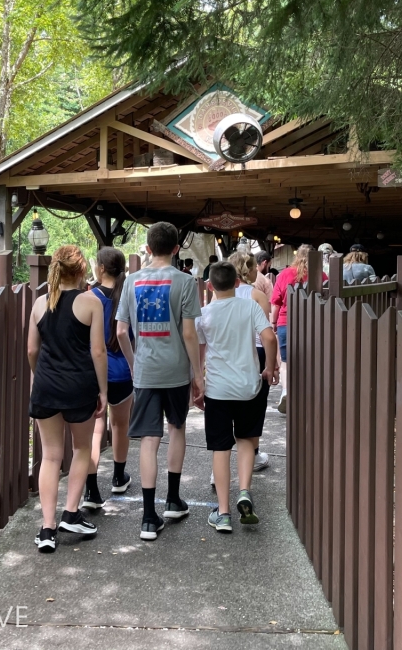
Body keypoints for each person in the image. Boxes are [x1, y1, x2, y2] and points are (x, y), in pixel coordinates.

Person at [116, 222, 204, 541]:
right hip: (176, 371)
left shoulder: (131, 281)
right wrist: (197, 374)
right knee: (176, 429)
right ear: (177, 248)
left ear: (148, 249)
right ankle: (173, 500)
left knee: (148, 441)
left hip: (146, 372)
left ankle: (148, 517)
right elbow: (190, 333)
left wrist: (133, 362)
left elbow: (121, 331)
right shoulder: (185, 281)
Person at [27, 245, 108, 552]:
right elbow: (97, 351)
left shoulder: (39, 303)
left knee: (50, 456)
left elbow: (32, 350)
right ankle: (71, 512)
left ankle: (47, 530)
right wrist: (103, 390)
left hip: (46, 386)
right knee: (82, 448)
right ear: (82, 270)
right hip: (79, 386)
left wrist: (42, 375)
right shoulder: (91, 302)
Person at [198, 261, 279, 532]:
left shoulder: (204, 314)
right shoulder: (250, 306)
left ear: (210, 286)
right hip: (249, 386)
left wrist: (198, 381)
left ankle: (222, 513)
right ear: (237, 283)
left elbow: (199, 350)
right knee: (245, 439)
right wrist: (268, 367)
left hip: (218, 390)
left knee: (220, 448)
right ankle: (244, 491)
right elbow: (269, 337)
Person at [83, 247, 134, 511]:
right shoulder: (129, 295)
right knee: (120, 425)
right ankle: (118, 476)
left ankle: (91, 489)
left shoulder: (87, 297)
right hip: (124, 371)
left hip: (93, 371)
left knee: (95, 429)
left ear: (101, 268)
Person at [269, 244, 312, 414]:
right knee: (309, 361)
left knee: (286, 362)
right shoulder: (321, 275)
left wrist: (273, 322)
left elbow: (276, 302)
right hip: (311, 323)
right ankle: (307, 396)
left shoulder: (284, 274)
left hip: (286, 323)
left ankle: (286, 392)